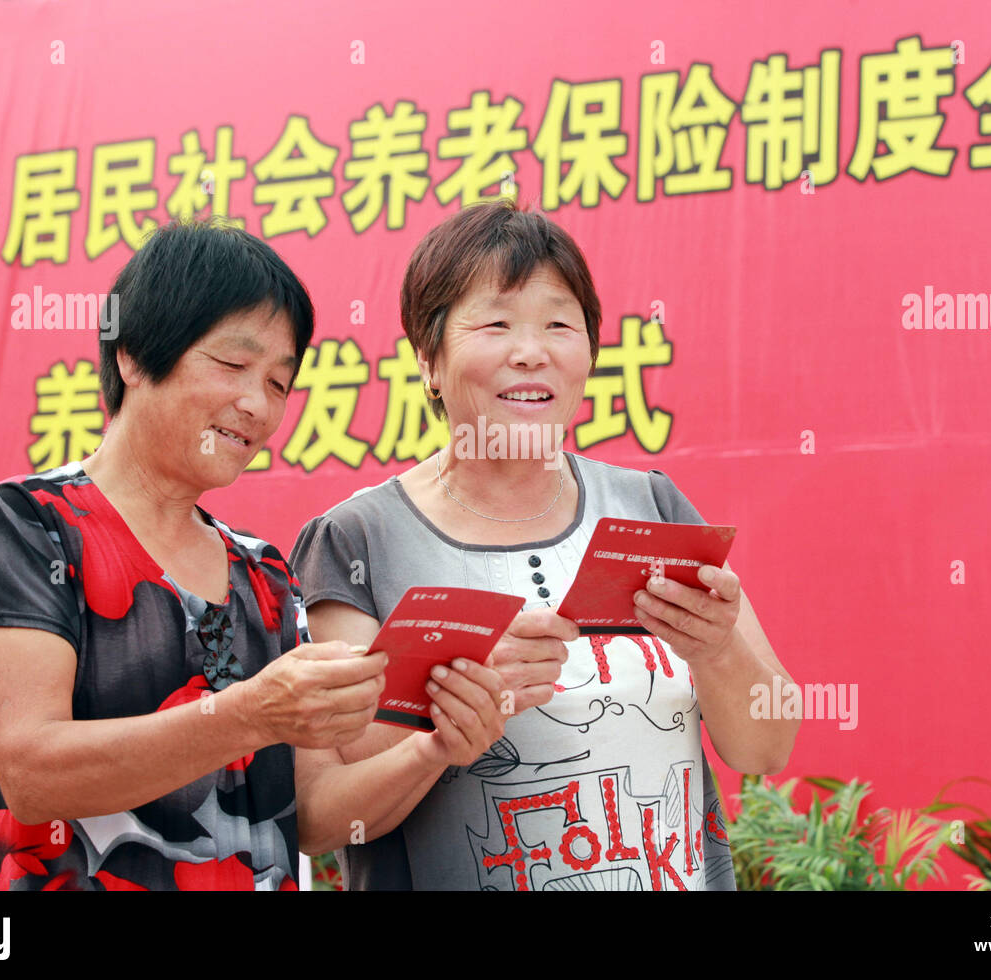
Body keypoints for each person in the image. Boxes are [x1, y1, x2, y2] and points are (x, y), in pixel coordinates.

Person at [0, 218, 500, 890]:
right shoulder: (30, 524)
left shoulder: (265, 576)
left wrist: (435, 748)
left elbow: (313, 819)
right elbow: (31, 774)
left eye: (280, 384)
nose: (256, 405)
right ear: (134, 356)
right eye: (232, 365)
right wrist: (250, 714)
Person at [290, 200, 799, 890]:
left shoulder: (648, 505)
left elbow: (766, 744)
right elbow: (325, 813)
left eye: (560, 324)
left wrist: (716, 648)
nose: (532, 351)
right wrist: (450, 721)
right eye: (496, 323)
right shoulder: (358, 539)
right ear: (428, 359)